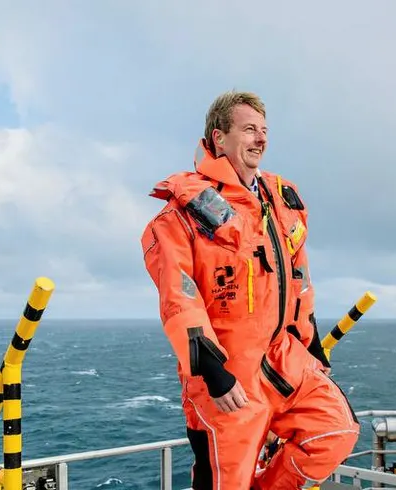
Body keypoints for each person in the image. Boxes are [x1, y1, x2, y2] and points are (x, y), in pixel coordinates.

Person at [140, 90, 360, 489]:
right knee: (227, 480)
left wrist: (309, 342)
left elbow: (300, 279)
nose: (260, 139)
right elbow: (180, 297)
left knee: (335, 430)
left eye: (264, 131)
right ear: (219, 138)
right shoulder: (181, 216)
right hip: (227, 375)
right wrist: (212, 371)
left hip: (283, 360)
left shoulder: (280, 202)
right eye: (248, 130)